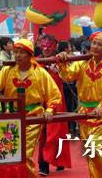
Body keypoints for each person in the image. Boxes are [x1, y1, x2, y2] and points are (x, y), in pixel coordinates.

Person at [56, 32, 102, 178]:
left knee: (95, 149)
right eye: (94, 43)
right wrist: (63, 62)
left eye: (100, 44)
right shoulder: (82, 63)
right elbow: (67, 76)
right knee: (91, 154)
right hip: (84, 113)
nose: (95, 47)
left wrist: (101, 107)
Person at [0, 39, 61, 178]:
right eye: (15, 52)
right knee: (11, 154)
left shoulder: (41, 73)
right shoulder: (7, 71)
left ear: (30, 54)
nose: (18, 56)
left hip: (33, 116)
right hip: (11, 116)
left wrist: (50, 110)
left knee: (24, 153)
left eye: (21, 53)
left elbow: (54, 95)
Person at [37, 34, 71, 175]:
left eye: (49, 46)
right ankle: (43, 164)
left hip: (57, 101)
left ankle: (59, 160)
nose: (46, 49)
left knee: (57, 131)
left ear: (55, 46)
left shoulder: (60, 60)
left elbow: (69, 75)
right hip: (40, 101)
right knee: (43, 132)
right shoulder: (36, 62)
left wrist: (62, 65)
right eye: (43, 46)